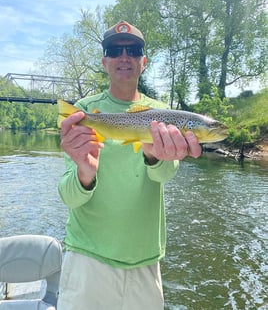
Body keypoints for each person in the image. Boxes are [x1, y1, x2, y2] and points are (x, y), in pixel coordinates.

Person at [57, 21, 202, 310]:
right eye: (115, 50)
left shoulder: (163, 114)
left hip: (144, 262)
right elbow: (68, 196)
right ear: (104, 61)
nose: (124, 57)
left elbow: (164, 174)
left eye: (133, 50)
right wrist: (85, 174)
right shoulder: (82, 113)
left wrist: (153, 155)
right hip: (87, 259)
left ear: (143, 62)